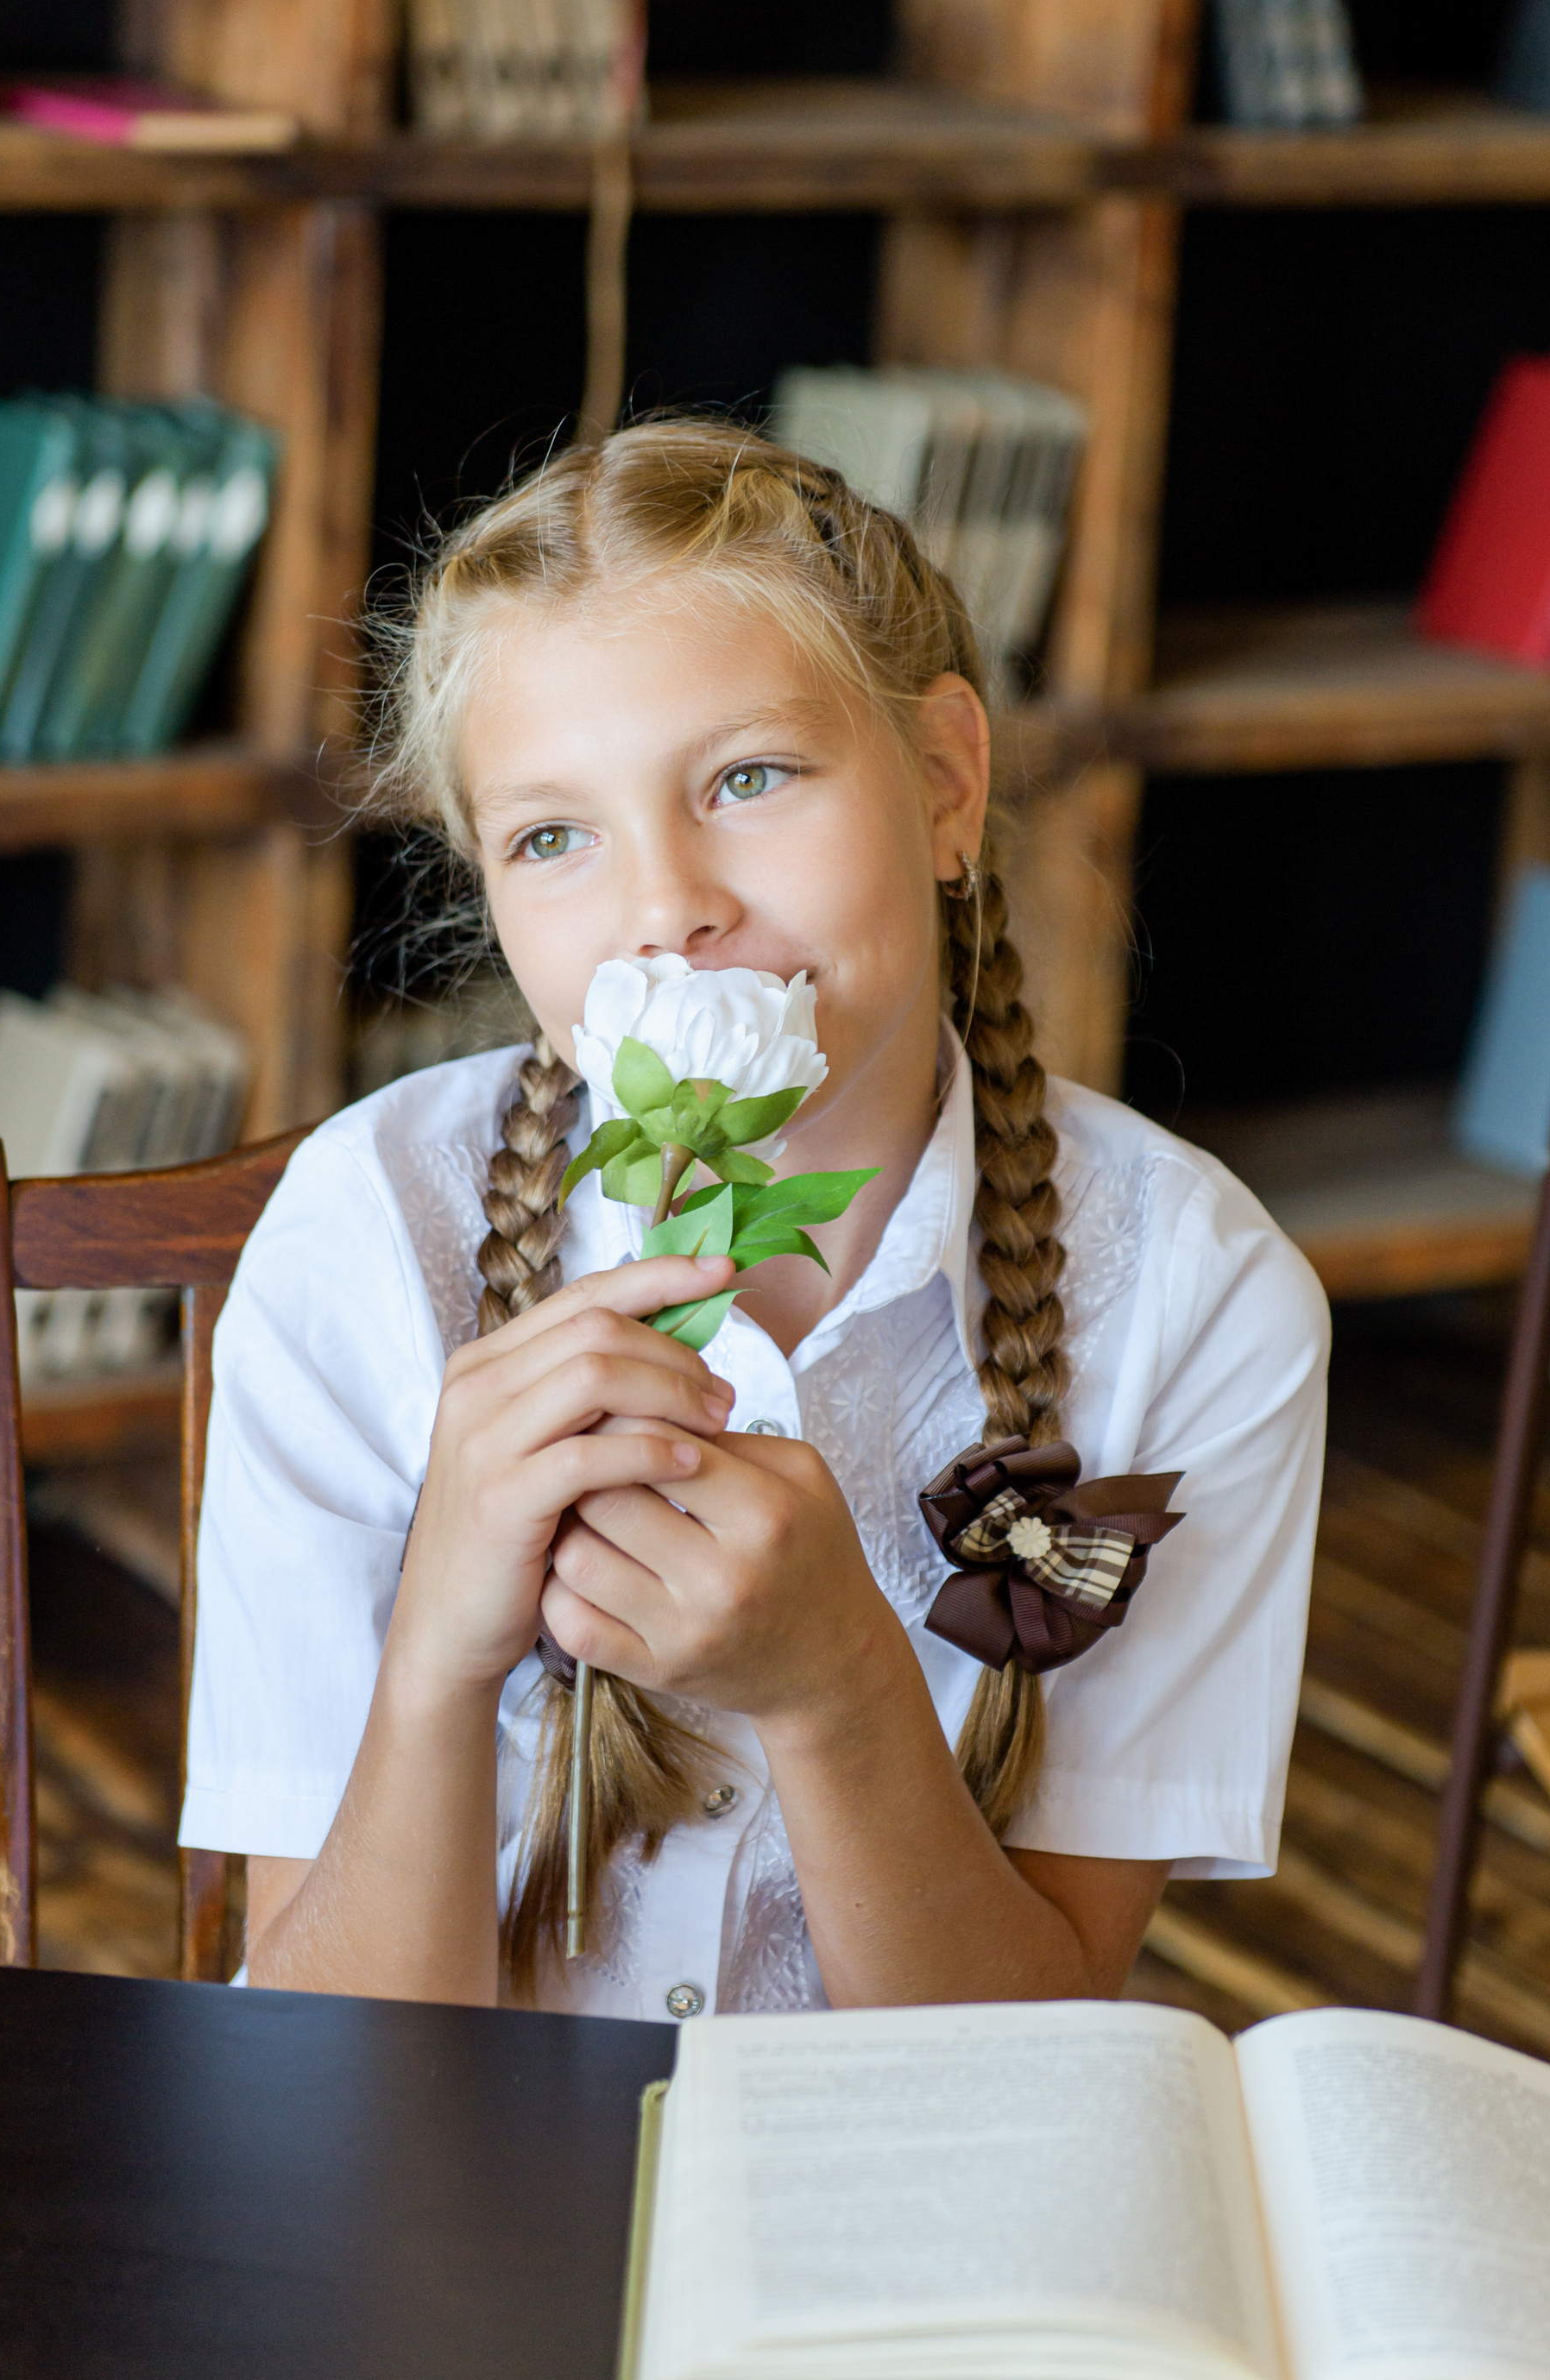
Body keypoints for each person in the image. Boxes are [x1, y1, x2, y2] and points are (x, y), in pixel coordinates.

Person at [180, 417, 1328, 2018]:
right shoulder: (364, 1236)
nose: (666, 907)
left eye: (749, 779)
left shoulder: (1200, 1299)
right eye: (554, 836)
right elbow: (328, 2072)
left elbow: (1029, 2074)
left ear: (946, 783)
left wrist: (840, 1687)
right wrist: (439, 1647)